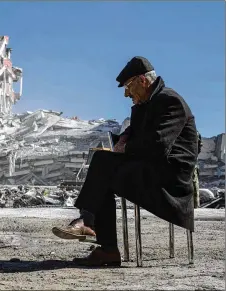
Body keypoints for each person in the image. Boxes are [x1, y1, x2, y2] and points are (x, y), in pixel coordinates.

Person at [53, 56, 199, 267]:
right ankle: (102, 241)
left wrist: (126, 147)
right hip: (151, 168)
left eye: (129, 86)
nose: (126, 93)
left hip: (170, 177)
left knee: (103, 165)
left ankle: (96, 232)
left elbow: (157, 144)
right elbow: (139, 134)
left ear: (142, 80)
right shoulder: (148, 103)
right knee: (103, 169)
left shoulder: (170, 101)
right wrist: (124, 138)